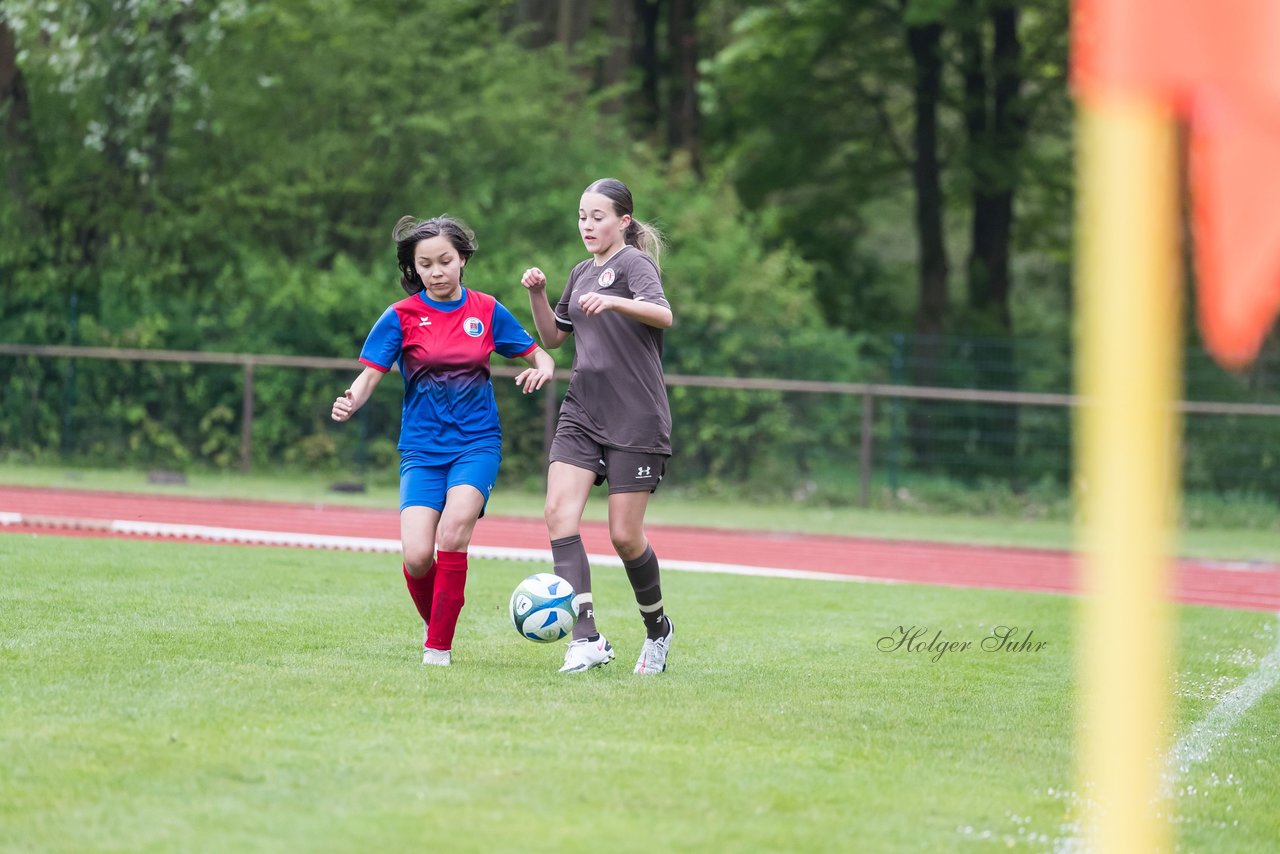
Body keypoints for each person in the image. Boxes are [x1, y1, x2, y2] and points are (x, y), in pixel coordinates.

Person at [333, 215, 555, 667]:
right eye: (425, 264)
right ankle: (444, 611)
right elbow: (370, 374)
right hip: (421, 449)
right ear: (414, 269)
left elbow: (539, 353)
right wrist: (351, 399)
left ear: (462, 260)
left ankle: (437, 649)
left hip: (476, 443)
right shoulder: (401, 316)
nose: (436, 271)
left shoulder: (487, 310)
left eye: (445, 261)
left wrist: (544, 369)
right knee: (417, 557)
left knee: (452, 535)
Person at [520, 178, 675, 675]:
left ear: (624, 221)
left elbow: (663, 314)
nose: (587, 225)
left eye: (598, 216)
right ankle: (585, 637)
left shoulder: (634, 264)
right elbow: (554, 338)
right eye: (582, 216)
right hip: (583, 409)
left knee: (625, 536)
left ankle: (657, 631)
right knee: (557, 513)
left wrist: (616, 302)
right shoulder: (580, 272)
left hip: (636, 416)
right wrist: (540, 295)